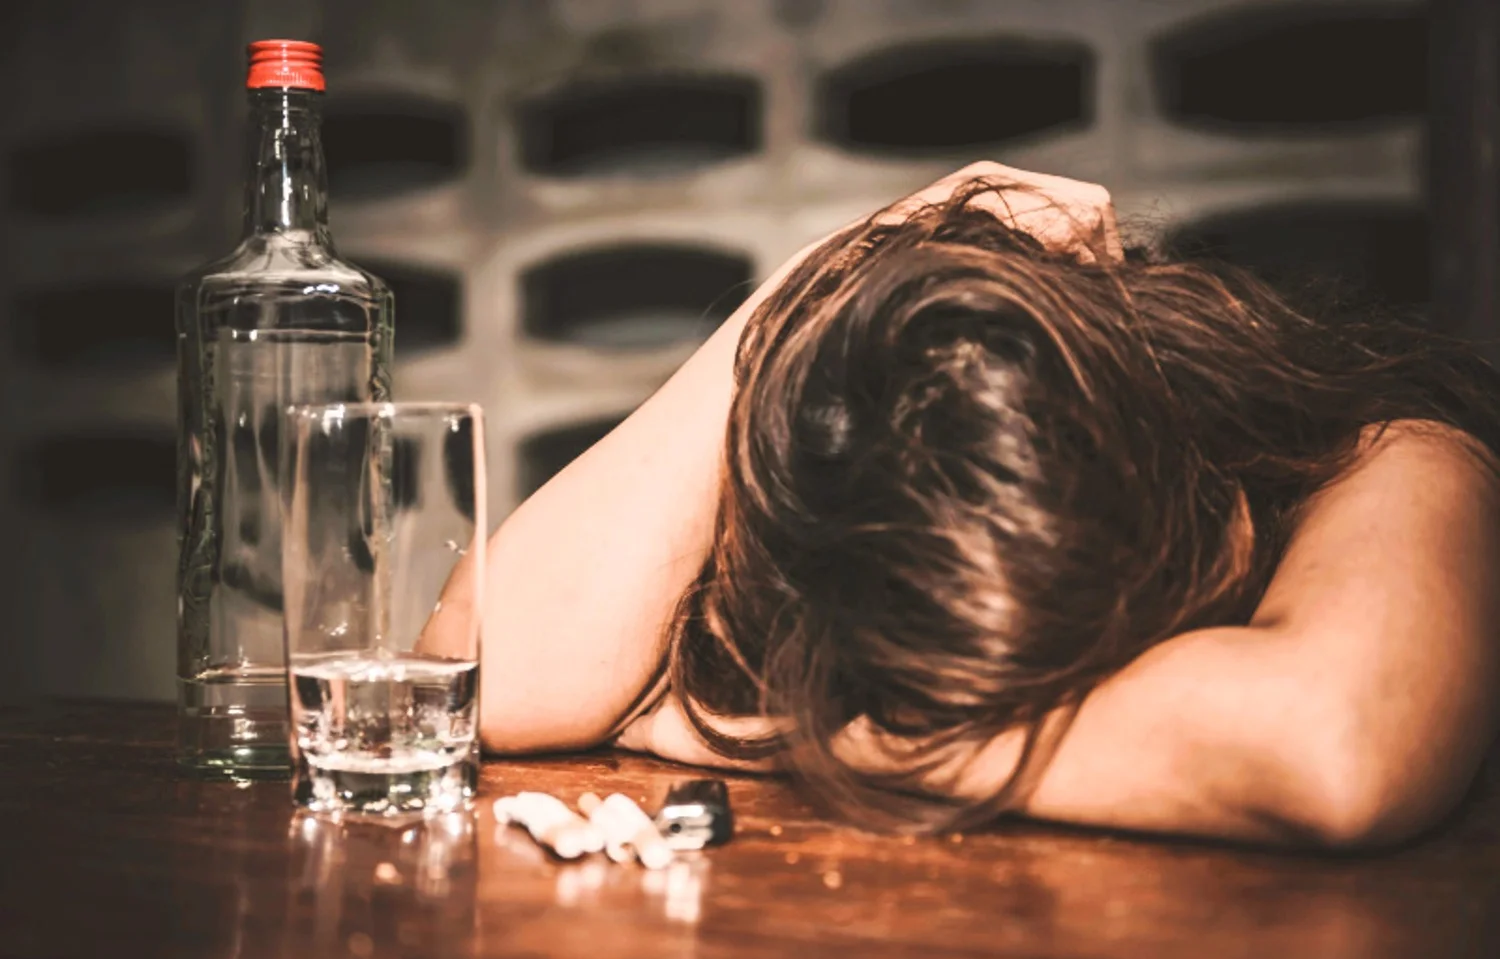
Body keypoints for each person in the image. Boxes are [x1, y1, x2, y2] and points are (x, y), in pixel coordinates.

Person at [463, 162, 1500, 848]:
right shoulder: (911, 463)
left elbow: (1333, 746)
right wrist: (823, 281)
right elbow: (485, 676)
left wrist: (804, 728)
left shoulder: (1391, 447)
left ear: (1209, 501)